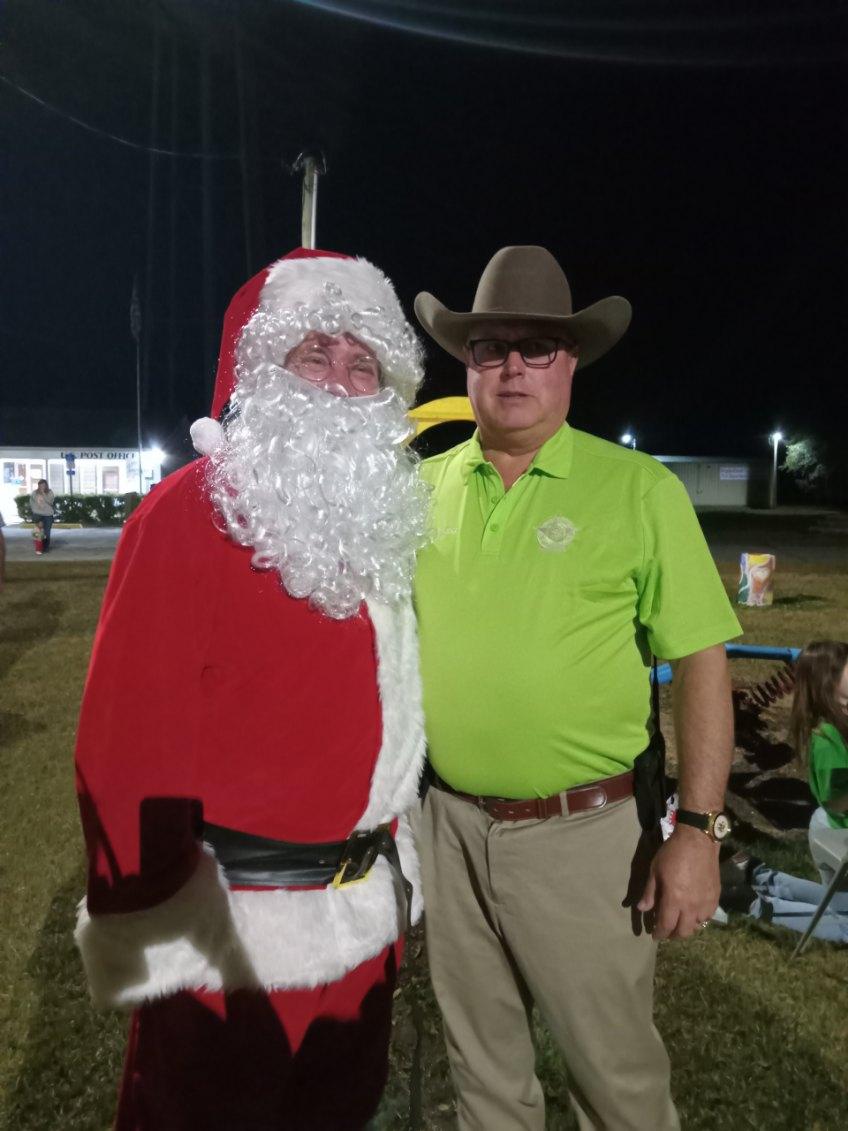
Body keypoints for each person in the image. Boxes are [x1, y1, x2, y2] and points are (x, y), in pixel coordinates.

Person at [74, 247, 430, 1130]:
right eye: (317, 355)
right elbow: (123, 747)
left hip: (359, 929)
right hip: (226, 944)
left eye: (364, 366)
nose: (344, 385)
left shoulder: (378, 526)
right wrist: (150, 924)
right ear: (259, 371)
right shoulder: (190, 512)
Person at [412, 245, 742, 1130]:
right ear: (466, 364)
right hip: (444, 825)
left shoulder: (638, 489)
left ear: (572, 363)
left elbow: (703, 662)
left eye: (538, 347)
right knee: (482, 1077)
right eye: (491, 347)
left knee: (616, 1083)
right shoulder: (417, 490)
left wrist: (700, 832)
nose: (513, 365)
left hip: (584, 840)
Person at [720, 640, 848, 942]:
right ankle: (755, 905)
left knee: (840, 905)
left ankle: (765, 878)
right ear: (827, 684)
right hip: (836, 831)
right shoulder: (827, 738)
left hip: (835, 828)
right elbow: (834, 801)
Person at [30, 479, 55, 552]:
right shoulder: (35, 493)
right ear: (38, 486)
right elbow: (31, 501)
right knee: (38, 531)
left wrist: (44, 494)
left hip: (48, 514)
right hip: (38, 514)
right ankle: (39, 547)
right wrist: (34, 509)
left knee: (47, 532)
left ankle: (46, 547)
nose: (42, 487)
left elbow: (50, 502)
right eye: (40, 485)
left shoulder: (50, 492)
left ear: (46, 485)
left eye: (43, 485)